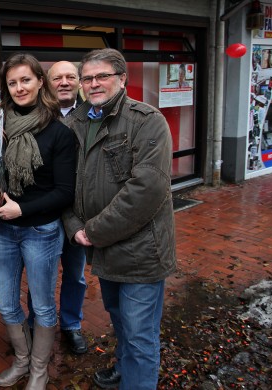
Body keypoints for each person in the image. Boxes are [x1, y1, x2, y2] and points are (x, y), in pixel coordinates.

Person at [62, 48, 177, 389]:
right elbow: (63, 184)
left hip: (142, 251)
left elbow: (147, 190)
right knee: (121, 322)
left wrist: (92, 231)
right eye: (87, 78)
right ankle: (125, 370)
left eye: (102, 76)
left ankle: (135, 377)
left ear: (122, 79)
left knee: (140, 336)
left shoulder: (147, 121)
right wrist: (74, 228)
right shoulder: (75, 124)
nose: (93, 83)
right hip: (102, 251)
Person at [0, 53, 76, 389]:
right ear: (5, 88)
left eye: (26, 80)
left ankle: (39, 369)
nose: (19, 87)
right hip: (5, 230)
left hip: (42, 232)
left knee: (44, 306)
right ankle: (22, 361)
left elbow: (65, 192)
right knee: (5, 304)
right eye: (12, 82)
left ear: (39, 82)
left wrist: (22, 209)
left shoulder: (58, 133)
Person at [41, 60, 89, 355]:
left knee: (75, 273)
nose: (64, 82)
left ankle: (71, 324)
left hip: (76, 211)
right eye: (57, 77)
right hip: (44, 209)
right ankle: (39, 323)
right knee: (41, 274)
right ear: (48, 82)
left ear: (79, 82)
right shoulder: (37, 116)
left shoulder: (91, 116)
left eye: (71, 76)